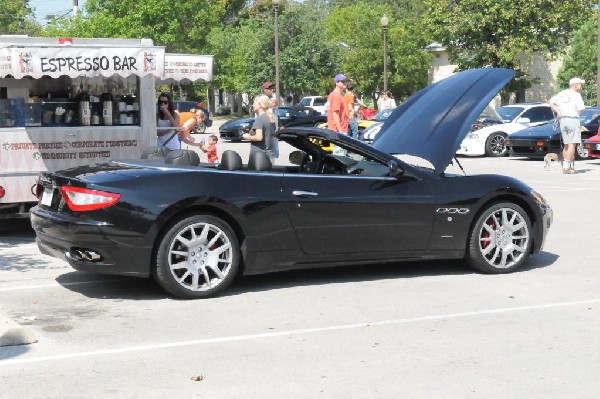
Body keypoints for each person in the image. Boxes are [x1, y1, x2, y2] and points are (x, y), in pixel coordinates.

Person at [549, 77, 586, 174]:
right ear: (576, 85)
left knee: (566, 144)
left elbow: (551, 102)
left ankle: (566, 166)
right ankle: (567, 168)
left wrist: (558, 111)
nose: (581, 87)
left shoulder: (562, 93)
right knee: (572, 144)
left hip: (563, 120)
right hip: (572, 119)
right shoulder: (576, 95)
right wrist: (576, 112)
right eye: (580, 85)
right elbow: (581, 109)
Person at [242, 94, 276, 163]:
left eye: (254, 103)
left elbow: (258, 137)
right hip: (269, 155)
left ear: (260, 105)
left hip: (259, 157)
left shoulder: (260, 119)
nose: (253, 105)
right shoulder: (270, 118)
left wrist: (246, 136)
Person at [262, 81, 280, 158]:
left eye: (272, 88)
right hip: (266, 129)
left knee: (274, 153)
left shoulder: (273, 97)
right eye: (269, 88)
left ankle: (272, 165)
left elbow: (276, 112)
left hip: (274, 129)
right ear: (265, 90)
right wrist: (270, 105)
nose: (271, 90)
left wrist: (280, 125)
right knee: (266, 152)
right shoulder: (261, 99)